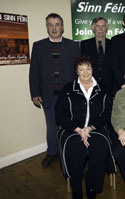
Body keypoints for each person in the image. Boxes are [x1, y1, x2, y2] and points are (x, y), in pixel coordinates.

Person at [55, 55, 115, 199]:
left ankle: (92, 185)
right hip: (72, 129)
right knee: (75, 150)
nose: (85, 72)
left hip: (96, 128)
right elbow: (60, 115)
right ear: (76, 71)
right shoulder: (68, 89)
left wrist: (89, 128)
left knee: (100, 149)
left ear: (92, 69)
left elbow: (107, 114)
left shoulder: (103, 88)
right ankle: (77, 189)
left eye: (88, 68)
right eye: (81, 69)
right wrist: (78, 129)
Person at [29, 13, 80, 167]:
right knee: (51, 126)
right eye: (50, 25)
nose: (54, 28)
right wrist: (35, 93)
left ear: (62, 27)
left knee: (70, 125)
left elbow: (79, 70)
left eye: (57, 24)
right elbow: (34, 72)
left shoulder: (72, 46)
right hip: (48, 95)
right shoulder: (39, 46)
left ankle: (69, 151)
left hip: (69, 94)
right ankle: (52, 152)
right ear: (47, 28)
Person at [81, 17, 113, 96]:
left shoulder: (114, 44)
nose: (101, 29)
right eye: (98, 26)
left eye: (103, 26)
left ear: (107, 28)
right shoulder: (85, 44)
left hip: (110, 87)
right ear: (93, 28)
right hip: (90, 86)